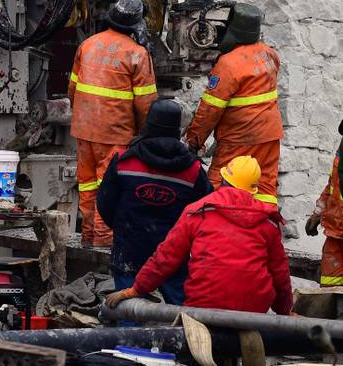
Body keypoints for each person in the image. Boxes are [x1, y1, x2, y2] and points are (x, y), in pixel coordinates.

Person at [105, 155, 292, 315]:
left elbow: (166, 257)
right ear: (254, 188)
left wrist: (136, 290)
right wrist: (285, 312)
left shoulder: (198, 211)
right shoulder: (268, 221)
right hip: (254, 312)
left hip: (203, 306)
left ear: (224, 178)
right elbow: (280, 275)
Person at [97, 99, 212, 305]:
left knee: (126, 312)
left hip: (129, 251)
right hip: (173, 255)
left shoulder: (124, 161)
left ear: (148, 124)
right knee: (182, 318)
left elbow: (104, 203)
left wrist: (124, 229)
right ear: (177, 129)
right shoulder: (193, 170)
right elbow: (205, 212)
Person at [69, 0, 157, 246]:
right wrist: (144, 134)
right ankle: (103, 245)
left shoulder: (88, 45)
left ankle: (88, 237)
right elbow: (146, 104)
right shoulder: (138, 54)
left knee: (87, 186)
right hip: (115, 132)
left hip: (84, 129)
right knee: (109, 188)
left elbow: (72, 89)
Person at [185, 3, 283, 205]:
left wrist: (194, 141)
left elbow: (209, 110)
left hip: (239, 137)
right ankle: (264, 228)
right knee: (264, 186)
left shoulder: (228, 64)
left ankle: (216, 230)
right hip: (270, 135)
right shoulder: (269, 54)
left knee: (219, 186)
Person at [305, 120, 343, 286]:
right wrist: (317, 212)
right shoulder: (341, 152)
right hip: (336, 233)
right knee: (329, 286)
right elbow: (332, 185)